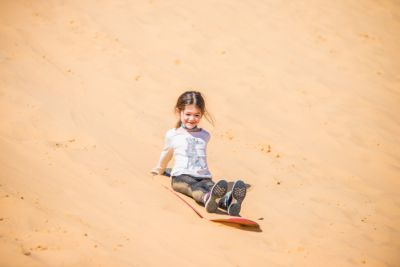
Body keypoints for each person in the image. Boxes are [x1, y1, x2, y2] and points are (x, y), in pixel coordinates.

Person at [151, 91, 247, 216]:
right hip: (181, 177)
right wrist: (159, 170)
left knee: (211, 187)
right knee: (193, 187)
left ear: (202, 114)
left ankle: (228, 202)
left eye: (197, 115)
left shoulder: (205, 135)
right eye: (188, 114)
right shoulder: (173, 134)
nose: (192, 119)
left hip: (204, 176)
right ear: (178, 112)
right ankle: (206, 199)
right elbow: (166, 154)